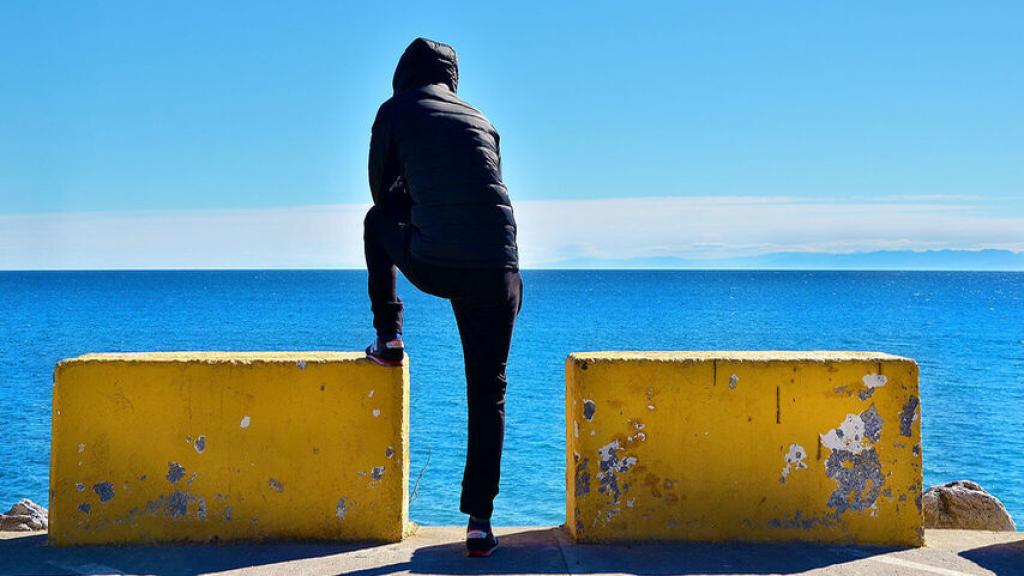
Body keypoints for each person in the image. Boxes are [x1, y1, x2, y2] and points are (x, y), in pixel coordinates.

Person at [362, 37, 522, 558]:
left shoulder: (396, 111)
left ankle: (389, 336)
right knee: (488, 388)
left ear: (404, 73)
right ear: (451, 78)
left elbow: (379, 190)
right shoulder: (480, 117)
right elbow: (485, 191)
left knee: (373, 222)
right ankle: (480, 522)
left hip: (438, 259)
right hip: (500, 270)